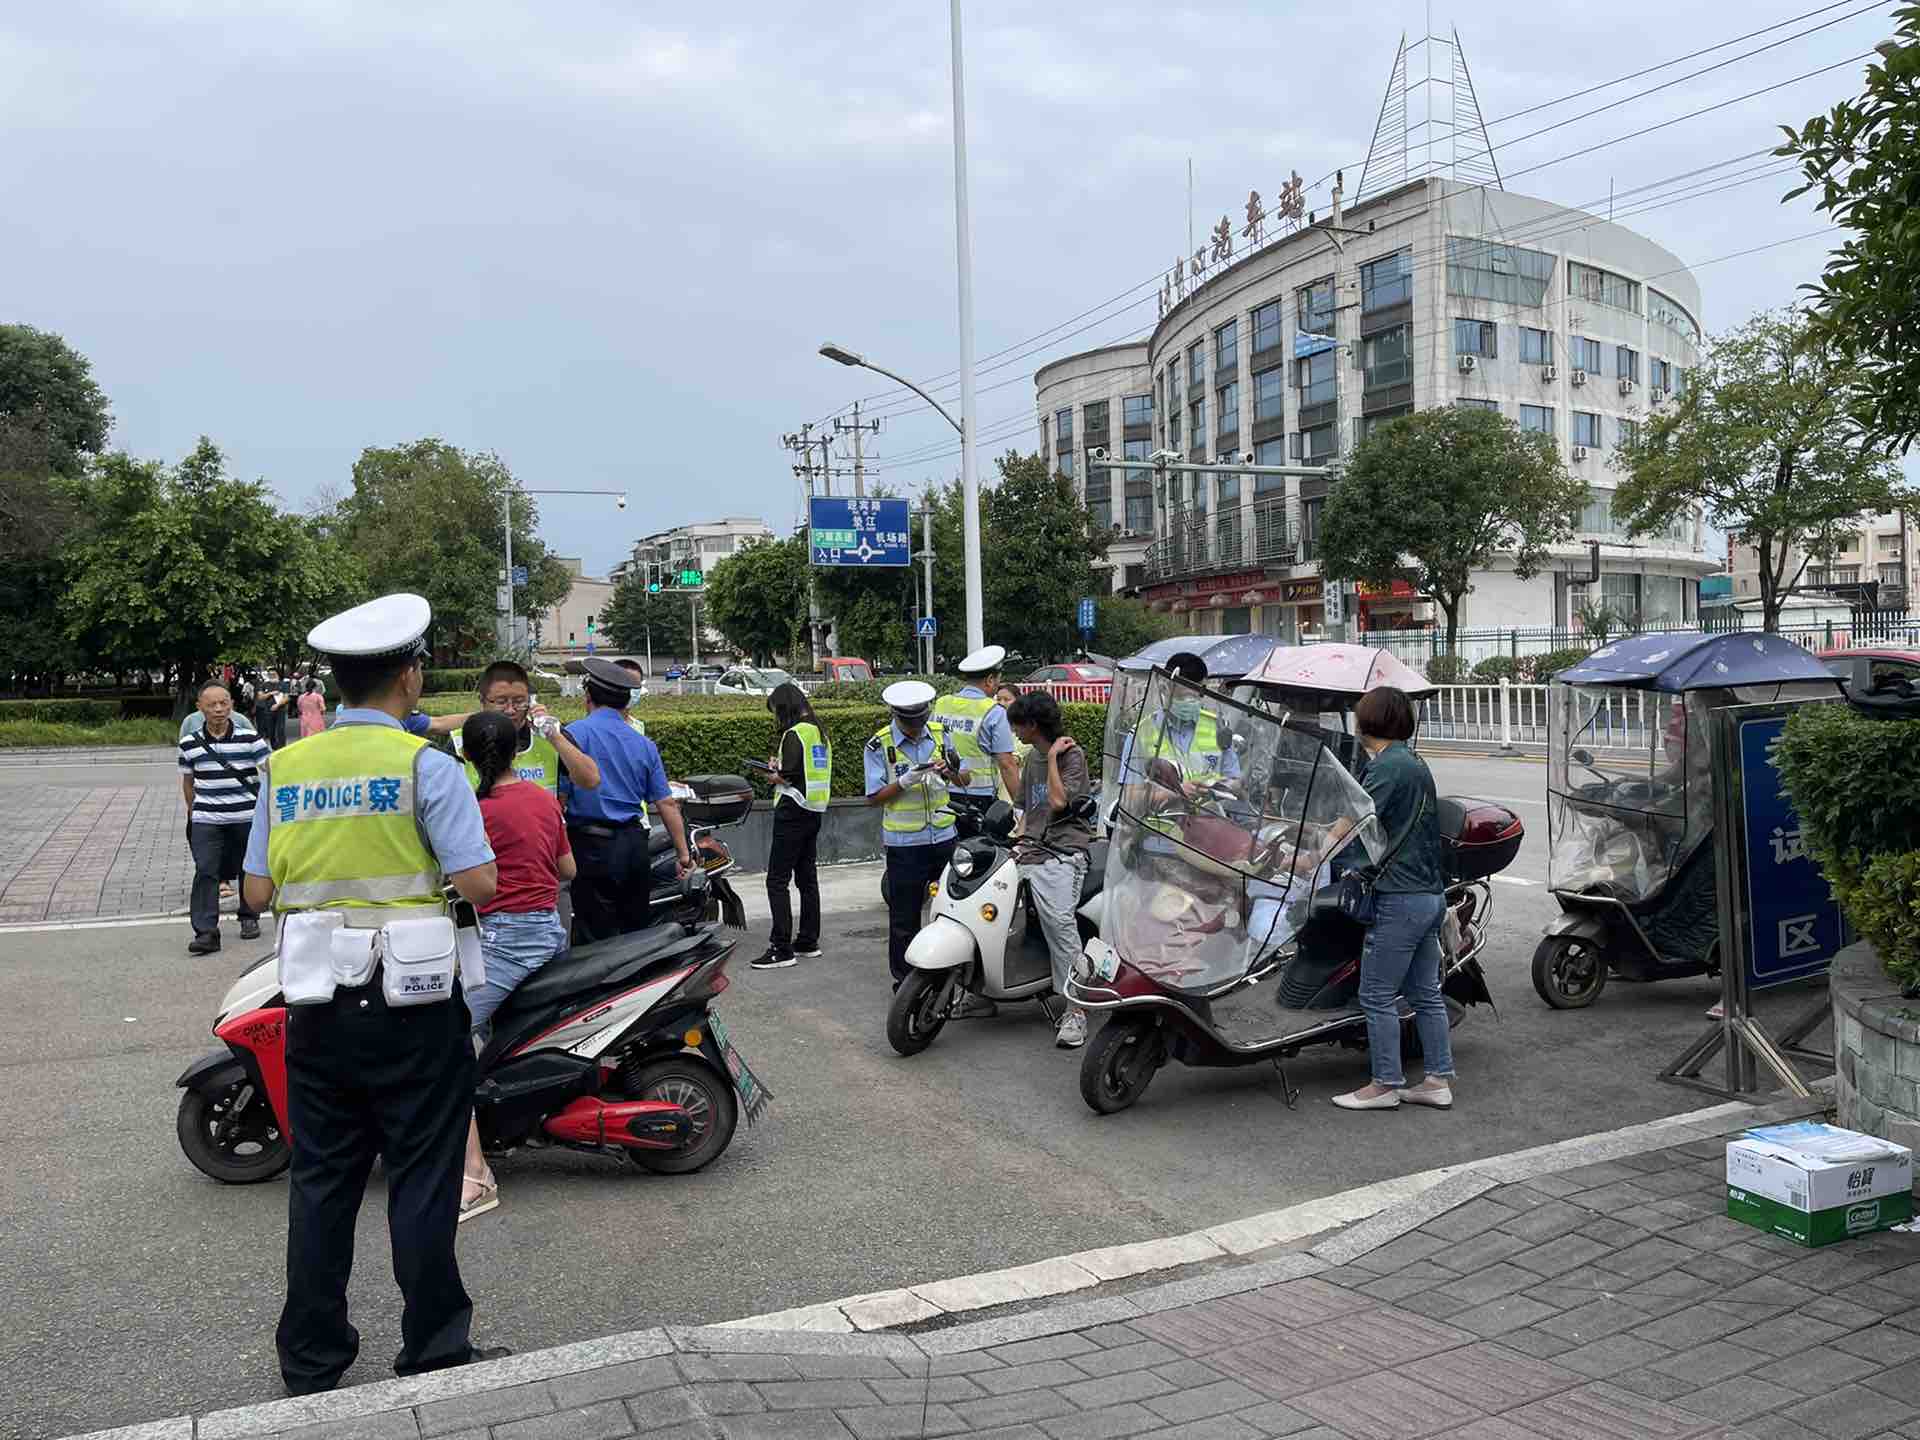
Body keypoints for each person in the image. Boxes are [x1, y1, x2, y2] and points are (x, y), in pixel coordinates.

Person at [239, 593, 507, 1396]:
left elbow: (255, 893)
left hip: (318, 1005)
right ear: (410, 676)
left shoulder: (284, 766)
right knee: (424, 1175)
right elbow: (481, 882)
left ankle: (312, 1359)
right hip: (415, 1005)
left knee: (322, 1180)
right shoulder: (425, 766)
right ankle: (433, 1346)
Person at [456, 709, 575, 1222]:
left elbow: (457, 878)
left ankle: (474, 1173)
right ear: (520, 749)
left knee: (444, 1039)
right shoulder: (544, 800)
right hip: (549, 932)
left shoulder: (473, 809)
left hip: (504, 942)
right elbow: (568, 868)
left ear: (465, 755)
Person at [1332, 685, 1454, 1114]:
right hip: (1427, 895)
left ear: (1368, 721)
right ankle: (1438, 1081)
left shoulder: (1386, 768)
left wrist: (1314, 849)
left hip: (1400, 898)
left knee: (1377, 994)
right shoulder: (1413, 761)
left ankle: (1384, 1084)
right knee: (1425, 993)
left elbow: (1358, 822)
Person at [561, 655, 691, 942]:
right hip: (634, 846)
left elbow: (559, 798)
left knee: (595, 939)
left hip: (590, 848)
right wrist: (683, 854)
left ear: (588, 696)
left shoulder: (572, 735)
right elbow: (666, 803)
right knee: (636, 935)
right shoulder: (643, 743)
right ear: (626, 702)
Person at [865, 680, 973, 988]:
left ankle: (948, 975)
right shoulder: (879, 745)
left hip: (944, 837)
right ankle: (906, 981)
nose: (916, 729)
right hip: (905, 844)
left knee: (953, 910)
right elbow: (872, 798)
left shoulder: (940, 733)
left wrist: (949, 772)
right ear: (896, 716)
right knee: (904, 918)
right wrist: (905, 781)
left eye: (920, 721)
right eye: (909, 723)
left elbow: (964, 777)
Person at [1005, 691, 1095, 1048]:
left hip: (1065, 850)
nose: (1014, 732)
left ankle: (1077, 1008)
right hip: (1031, 849)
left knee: (1058, 921)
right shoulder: (1030, 759)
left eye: (1017, 725)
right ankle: (979, 990)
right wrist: (1016, 841)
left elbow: (1058, 802)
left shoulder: (1071, 756)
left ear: (1032, 725)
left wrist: (1054, 758)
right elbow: (1027, 809)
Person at [179, 682, 270, 954]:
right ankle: (206, 932)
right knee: (206, 870)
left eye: (224, 703)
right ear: (200, 708)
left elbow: (270, 771)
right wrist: (193, 813)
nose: (219, 709)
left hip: (245, 815)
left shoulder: (250, 738)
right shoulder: (189, 743)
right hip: (207, 818)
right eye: (212, 705)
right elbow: (188, 782)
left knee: (247, 866)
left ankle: (249, 918)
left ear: (231, 704)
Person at [756, 681, 831, 970]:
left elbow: (787, 775)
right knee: (806, 877)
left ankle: (781, 947)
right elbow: (804, 771)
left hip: (792, 811)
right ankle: (808, 941)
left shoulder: (794, 733)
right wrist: (783, 771)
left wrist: (772, 773)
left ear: (784, 707)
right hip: (813, 810)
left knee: (776, 880)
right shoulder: (819, 731)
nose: (775, 717)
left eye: (775, 710)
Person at [445, 661, 602, 797]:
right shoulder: (460, 741)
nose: (511, 710)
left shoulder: (549, 734)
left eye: (519, 701)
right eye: (501, 702)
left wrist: (554, 735)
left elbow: (590, 780)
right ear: (482, 701)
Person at [934, 645, 1020, 803]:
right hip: (979, 797)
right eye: (997, 681)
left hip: (942, 793)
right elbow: (1007, 764)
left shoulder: (941, 704)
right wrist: (1021, 807)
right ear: (989, 680)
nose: (997, 688)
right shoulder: (994, 711)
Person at [992, 684, 1031, 805]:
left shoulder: (1025, 731)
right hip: (993, 790)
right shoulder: (994, 728)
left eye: (1006, 699)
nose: (1001, 703)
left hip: (1012, 791)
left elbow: (1012, 760)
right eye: (998, 699)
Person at [253, 679, 290, 750]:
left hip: (280, 710)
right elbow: (260, 697)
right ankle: (274, 747)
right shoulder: (264, 685)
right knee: (271, 730)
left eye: (274, 673)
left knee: (280, 729)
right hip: (268, 711)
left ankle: (282, 748)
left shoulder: (283, 684)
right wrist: (271, 693)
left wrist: (277, 705)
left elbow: (286, 698)